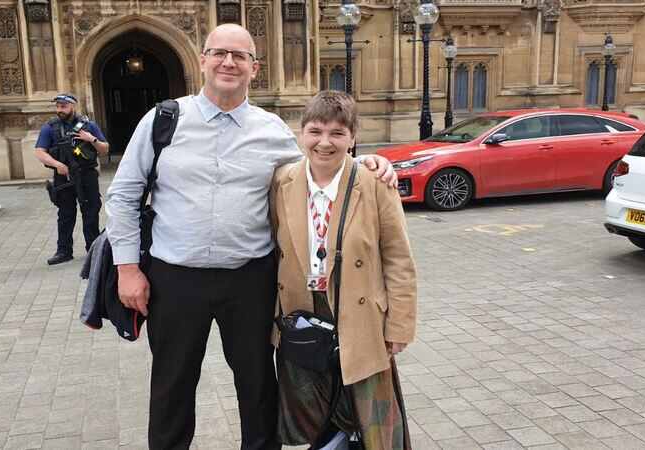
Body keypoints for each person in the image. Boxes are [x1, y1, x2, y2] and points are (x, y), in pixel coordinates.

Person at [105, 24, 396, 450]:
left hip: (250, 279)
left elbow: (316, 167)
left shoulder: (273, 129)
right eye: (219, 53)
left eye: (239, 56)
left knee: (258, 385)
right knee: (172, 385)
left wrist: (365, 161)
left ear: (253, 68)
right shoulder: (163, 120)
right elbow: (124, 193)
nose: (228, 62)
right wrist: (127, 269)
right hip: (175, 278)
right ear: (202, 60)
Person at [270, 91, 417, 449]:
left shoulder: (375, 183)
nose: (325, 142)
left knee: (372, 419)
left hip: (360, 313)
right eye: (315, 131)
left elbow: (398, 259)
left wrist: (398, 325)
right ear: (301, 133)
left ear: (352, 138)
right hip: (303, 314)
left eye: (337, 133)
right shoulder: (281, 181)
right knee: (314, 417)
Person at [34, 93, 110, 265]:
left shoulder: (88, 125)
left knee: (90, 212)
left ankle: (92, 249)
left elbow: (105, 149)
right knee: (66, 214)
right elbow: (40, 152)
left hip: (87, 175)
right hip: (64, 176)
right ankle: (64, 251)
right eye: (58, 106)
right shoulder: (50, 127)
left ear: (73, 106)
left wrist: (92, 139)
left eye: (64, 106)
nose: (60, 109)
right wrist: (57, 165)